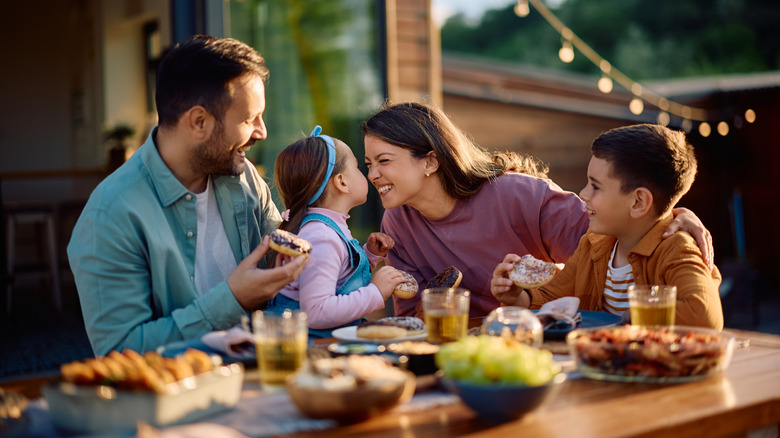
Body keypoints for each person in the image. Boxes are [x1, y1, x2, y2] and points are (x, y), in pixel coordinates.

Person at [67, 36, 308, 356]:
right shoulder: (110, 217)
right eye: (250, 119)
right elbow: (120, 350)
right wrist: (233, 299)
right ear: (198, 122)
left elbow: (282, 261)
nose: (261, 132)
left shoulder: (244, 177)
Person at [361, 102, 714, 318]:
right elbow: (412, 316)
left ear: (431, 162)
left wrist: (675, 216)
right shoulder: (397, 223)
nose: (372, 173)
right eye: (368, 163)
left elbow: (612, 234)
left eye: (384, 161)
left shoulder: (520, 196)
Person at [491, 124, 723, 329]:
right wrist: (517, 297)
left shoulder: (677, 248)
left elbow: (704, 315)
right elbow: (550, 298)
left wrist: (626, 318)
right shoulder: (592, 245)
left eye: (596, 186)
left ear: (638, 202)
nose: (583, 194)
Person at [266, 126, 406, 338]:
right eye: (358, 167)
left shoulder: (326, 229)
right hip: (309, 348)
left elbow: (337, 280)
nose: (367, 175)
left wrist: (368, 255)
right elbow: (316, 312)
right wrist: (375, 292)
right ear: (341, 182)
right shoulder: (321, 236)